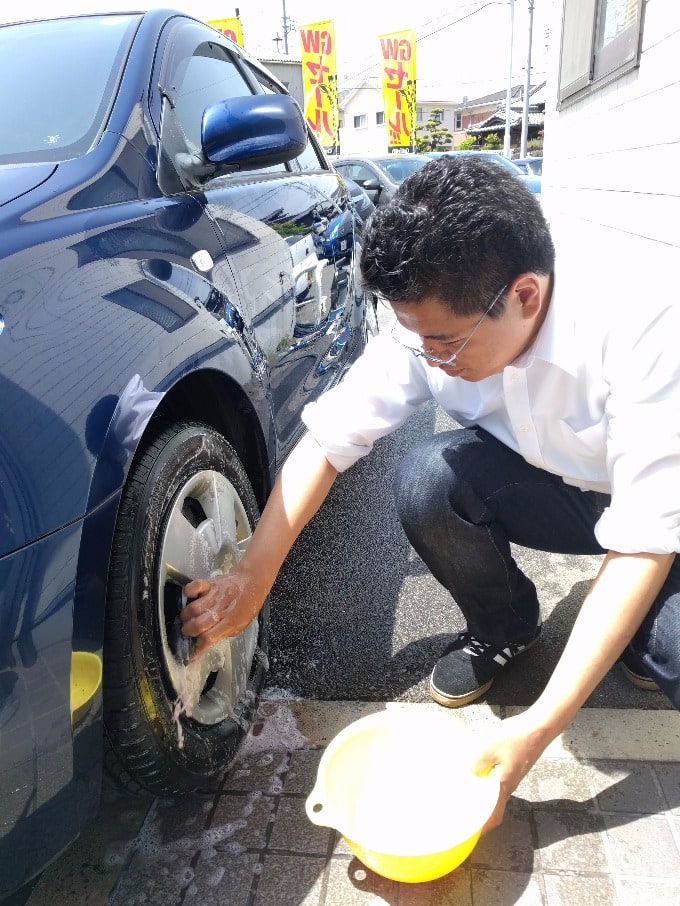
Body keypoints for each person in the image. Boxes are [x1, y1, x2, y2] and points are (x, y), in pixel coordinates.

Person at [180, 155, 680, 829]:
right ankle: (506, 629)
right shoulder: (430, 322)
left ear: (526, 296)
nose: (428, 357)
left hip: (654, 501)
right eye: (414, 338)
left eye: (443, 342)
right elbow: (327, 443)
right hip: (560, 486)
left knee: (668, 650)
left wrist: (534, 731)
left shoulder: (644, 318)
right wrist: (252, 575)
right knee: (427, 479)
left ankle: (646, 626)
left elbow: (644, 539)